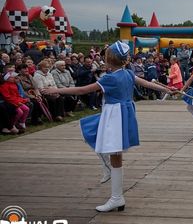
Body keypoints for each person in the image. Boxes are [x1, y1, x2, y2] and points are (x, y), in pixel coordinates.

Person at [43, 41, 175, 212]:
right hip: (122, 114)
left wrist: (57, 90)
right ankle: (113, 185)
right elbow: (147, 83)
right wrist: (166, 89)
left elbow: (83, 90)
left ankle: (116, 195)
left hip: (114, 115)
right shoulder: (128, 73)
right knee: (98, 137)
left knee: (111, 151)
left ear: (109, 61)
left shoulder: (110, 78)